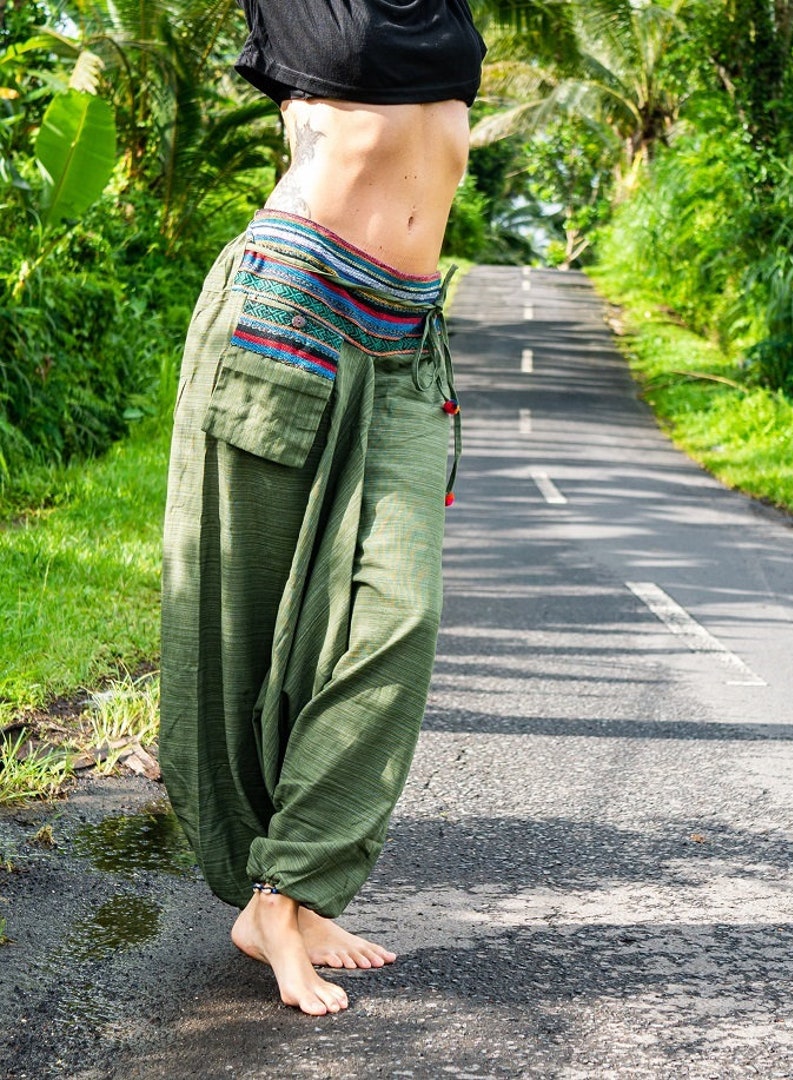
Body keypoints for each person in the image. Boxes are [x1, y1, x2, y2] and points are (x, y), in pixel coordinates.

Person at [159, 0, 485, 1016]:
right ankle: (281, 903)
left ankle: (289, 882)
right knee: (251, 629)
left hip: (407, 343)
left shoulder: (449, 15)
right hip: (291, 310)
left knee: (401, 616)